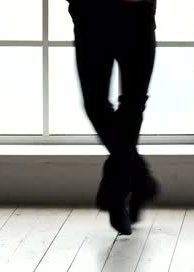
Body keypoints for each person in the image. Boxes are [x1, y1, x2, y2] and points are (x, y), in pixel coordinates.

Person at [67, 0, 159, 235]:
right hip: (91, 14)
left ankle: (118, 188)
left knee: (133, 104)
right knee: (96, 103)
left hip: (137, 12)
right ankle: (138, 178)